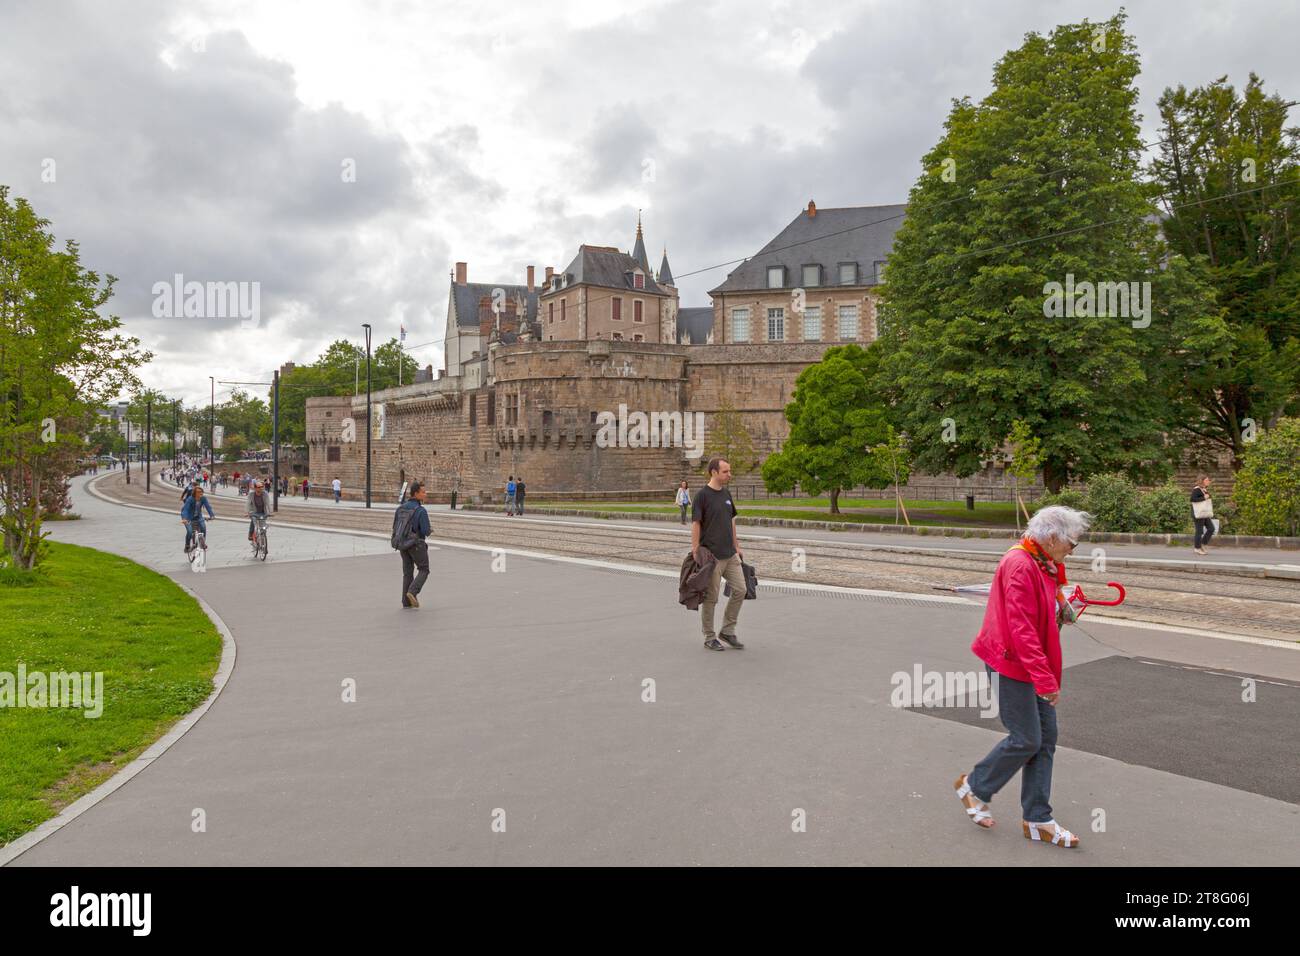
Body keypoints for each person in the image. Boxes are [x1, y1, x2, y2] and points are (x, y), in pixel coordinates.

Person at [954, 505, 1092, 850]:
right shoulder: (1019, 565)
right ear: (1051, 537)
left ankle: (1037, 818)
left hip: (1031, 662)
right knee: (1027, 738)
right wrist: (1045, 681)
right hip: (1011, 663)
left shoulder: (1043, 560)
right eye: (1071, 544)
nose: (1073, 550)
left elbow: (1051, 590)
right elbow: (1022, 631)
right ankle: (974, 786)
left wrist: (1062, 603)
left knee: (1045, 739)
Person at [692, 458, 746, 651]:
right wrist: (695, 549)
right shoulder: (702, 496)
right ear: (714, 472)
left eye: (729, 471)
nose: (729, 475)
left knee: (741, 589)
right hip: (712, 556)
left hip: (730, 555)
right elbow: (696, 523)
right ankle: (709, 636)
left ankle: (728, 630)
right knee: (711, 598)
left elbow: (731, 521)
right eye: (725, 471)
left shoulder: (727, 494)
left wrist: (736, 546)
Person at [395, 480, 432, 608]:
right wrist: (429, 530)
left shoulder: (400, 508)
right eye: (423, 492)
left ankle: (406, 601)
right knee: (424, 569)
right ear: (416, 494)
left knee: (407, 572)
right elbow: (426, 530)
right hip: (416, 544)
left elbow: (395, 527)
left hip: (402, 545)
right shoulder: (421, 510)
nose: (425, 494)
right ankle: (412, 592)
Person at [181, 484, 215, 553]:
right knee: (190, 532)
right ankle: (187, 546)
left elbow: (208, 507)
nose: (201, 493)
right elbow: (185, 509)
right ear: (195, 493)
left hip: (198, 516)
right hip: (188, 517)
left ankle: (202, 542)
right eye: (199, 492)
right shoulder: (190, 499)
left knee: (203, 527)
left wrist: (212, 515)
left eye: (201, 492)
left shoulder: (203, 498)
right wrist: (184, 518)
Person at [1191, 476, 1214, 555]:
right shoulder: (1196, 489)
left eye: (1209, 480)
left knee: (1211, 528)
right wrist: (1204, 497)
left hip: (1204, 513)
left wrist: (1206, 496)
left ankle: (1202, 544)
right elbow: (1192, 499)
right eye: (1207, 480)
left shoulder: (1204, 489)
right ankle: (1197, 548)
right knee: (1199, 531)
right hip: (1198, 513)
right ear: (1202, 481)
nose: (1209, 481)